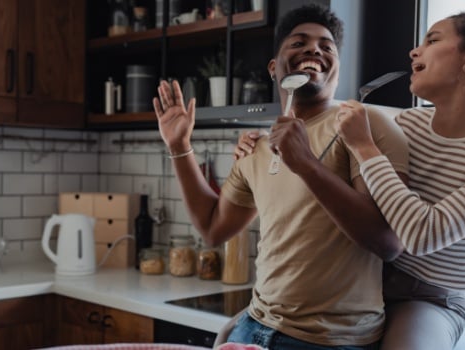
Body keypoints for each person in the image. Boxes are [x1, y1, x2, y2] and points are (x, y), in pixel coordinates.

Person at [235, 11, 465, 349]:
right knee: (234, 334)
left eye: (433, 40)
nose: (414, 51)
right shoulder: (407, 124)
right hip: (362, 289)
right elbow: (319, 120)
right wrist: (259, 142)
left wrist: (366, 147)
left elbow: (422, 236)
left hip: (430, 298)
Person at [153, 4, 410, 350]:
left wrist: (304, 162)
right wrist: (180, 147)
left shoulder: (364, 126)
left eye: (326, 46)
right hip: (253, 327)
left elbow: (389, 241)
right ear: (274, 68)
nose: (314, 49)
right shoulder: (257, 147)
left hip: (327, 341)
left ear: (337, 66)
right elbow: (214, 227)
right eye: (298, 42)